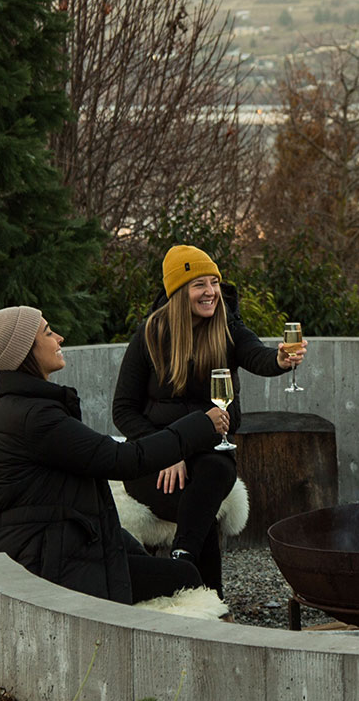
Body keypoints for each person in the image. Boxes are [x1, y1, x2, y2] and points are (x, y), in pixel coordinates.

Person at [0, 304, 227, 604]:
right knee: (185, 577)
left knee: (157, 558)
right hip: (46, 557)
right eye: (48, 332)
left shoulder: (23, 407)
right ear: (26, 350)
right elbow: (122, 460)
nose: (60, 337)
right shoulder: (36, 417)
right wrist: (200, 425)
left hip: (55, 541)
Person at [113, 245, 304, 592]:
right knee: (199, 504)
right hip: (155, 457)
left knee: (213, 474)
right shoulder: (150, 335)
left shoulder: (227, 327)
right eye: (199, 284)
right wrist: (166, 450)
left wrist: (279, 361)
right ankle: (209, 600)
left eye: (214, 282)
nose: (211, 292)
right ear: (178, 291)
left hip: (209, 452)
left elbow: (258, 356)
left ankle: (182, 564)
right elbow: (123, 409)